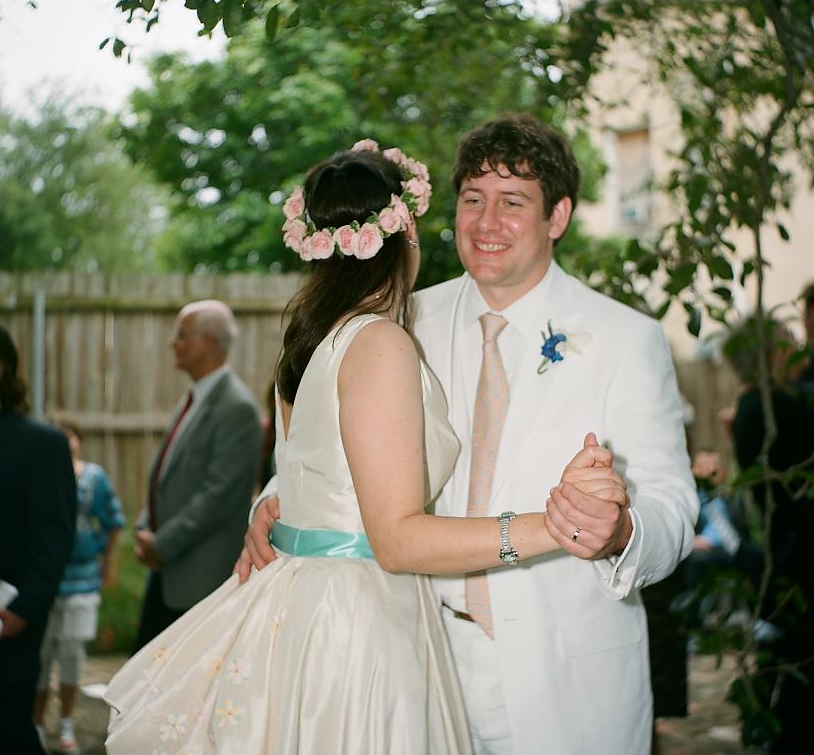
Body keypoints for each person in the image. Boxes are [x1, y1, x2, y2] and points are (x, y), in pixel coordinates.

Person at [104, 140, 629, 753]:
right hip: (357, 620)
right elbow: (397, 538)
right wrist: (556, 525)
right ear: (404, 231)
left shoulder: (311, 339)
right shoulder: (379, 343)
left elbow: (314, 475)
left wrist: (269, 507)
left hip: (305, 602)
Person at [241, 117, 698, 755]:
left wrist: (620, 532)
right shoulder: (399, 321)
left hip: (565, 684)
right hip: (413, 658)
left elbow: (673, 504)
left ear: (558, 216)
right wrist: (274, 499)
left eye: (513, 203)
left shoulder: (627, 339)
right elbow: (335, 453)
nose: (486, 223)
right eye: (473, 200)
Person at [0, 320, 76, 755]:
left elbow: (54, 539)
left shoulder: (39, 443)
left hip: (3, 627)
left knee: (9, 734)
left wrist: (25, 611)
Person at [133, 299, 263, 649]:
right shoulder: (197, 396)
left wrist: (162, 543)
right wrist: (146, 527)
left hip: (199, 580)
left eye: (182, 334)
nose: (173, 342)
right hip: (170, 570)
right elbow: (169, 474)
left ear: (208, 341)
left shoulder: (236, 408)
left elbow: (218, 495)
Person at [723, 315, 814, 753]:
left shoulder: (757, 403)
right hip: (792, 554)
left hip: (783, 549)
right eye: (788, 341)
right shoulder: (771, 405)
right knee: (792, 667)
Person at [33, 419, 125, 754]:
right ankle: (38, 723)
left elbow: (114, 520)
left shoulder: (94, 477)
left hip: (83, 578)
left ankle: (68, 723)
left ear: (79, 440)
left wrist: (108, 565)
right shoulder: (38, 475)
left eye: (70, 435)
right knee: (40, 658)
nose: (64, 441)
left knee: (71, 656)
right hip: (44, 580)